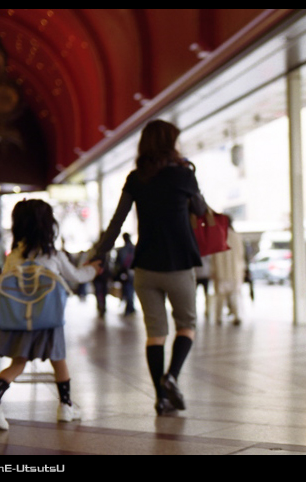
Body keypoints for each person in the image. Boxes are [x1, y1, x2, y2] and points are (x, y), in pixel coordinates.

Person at [92, 119, 207, 415]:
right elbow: (201, 210)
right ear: (170, 144)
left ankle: (161, 398)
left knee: (155, 334)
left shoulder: (136, 178)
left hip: (145, 268)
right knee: (186, 325)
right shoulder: (183, 175)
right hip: (179, 265)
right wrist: (189, 176)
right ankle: (172, 377)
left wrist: (99, 253)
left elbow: (117, 222)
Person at [0, 199, 101, 430]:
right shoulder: (53, 255)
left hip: (21, 320)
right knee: (59, 361)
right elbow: (77, 276)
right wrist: (93, 269)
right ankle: (65, 406)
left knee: (18, 363)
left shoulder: (14, 255)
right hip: (49, 319)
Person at [212, 216, 245, 325]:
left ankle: (218, 317)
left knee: (220, 296)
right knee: (235, 294)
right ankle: (236, 315)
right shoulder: (236, 236)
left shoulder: (218, 236)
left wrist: (213, 270)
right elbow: (241, 255)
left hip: (220, 272)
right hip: (235, 272)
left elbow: (214, 257)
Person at [114, 233, 136, 315]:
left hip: (125, 273)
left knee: (127, 290)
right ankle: (130, 306)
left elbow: (118, 263)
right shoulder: (134, 248)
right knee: (131, 290)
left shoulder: (122, 250)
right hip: (134, 273)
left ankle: (129, 307)